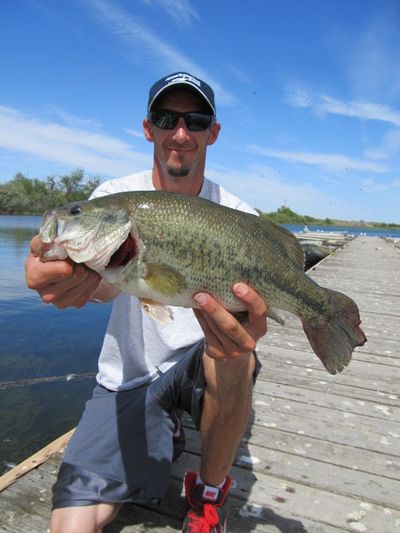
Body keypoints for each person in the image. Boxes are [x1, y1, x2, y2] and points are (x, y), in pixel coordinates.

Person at [25, 72, 269, 533]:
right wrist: (67, 280)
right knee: (70, 526)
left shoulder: (241, 216)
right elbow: (105, 285)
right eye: (165, 118)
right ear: (148, 128)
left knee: (236, 355)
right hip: (129, 375)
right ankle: (164, 428)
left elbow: (248, 309)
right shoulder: (111, 201)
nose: (180, 133)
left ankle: (209, 494)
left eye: (195, 121)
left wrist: (250, 329)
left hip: (205, 358)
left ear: (212, 133)